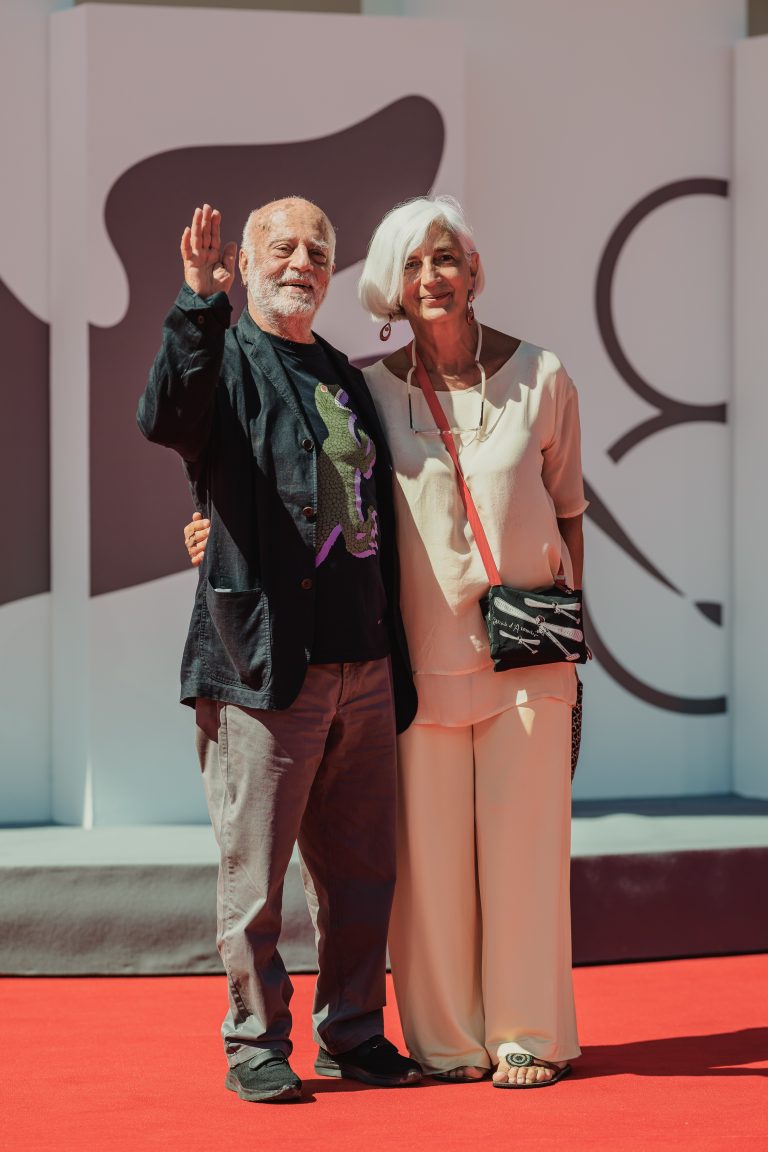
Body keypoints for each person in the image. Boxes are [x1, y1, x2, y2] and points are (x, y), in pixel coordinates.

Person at [185, 195, 586, 1090]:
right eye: (411, 264)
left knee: (496, 861)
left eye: (445, 259)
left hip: (508, 656)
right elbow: (234, 453)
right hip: (395, 661)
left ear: (473, 271)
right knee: (409, 871)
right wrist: (213, 525)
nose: (431, 278)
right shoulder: (356, 385)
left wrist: (571, 622)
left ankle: (511, 1033)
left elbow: (568, 509)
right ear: (389, 286)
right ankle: (433, 1042)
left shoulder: (535, 375)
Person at [137, 199, 421, 1104]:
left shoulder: (341, 372)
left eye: (319, 251)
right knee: (254, 879)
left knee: (362, 876)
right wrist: (196, 301)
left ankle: (354, 1032)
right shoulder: (223, 358)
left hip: (364, 664)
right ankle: (256, 1042)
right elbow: (166, 415)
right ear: (247, 261)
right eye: (284, 247)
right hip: (264, 668)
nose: (303, 262)